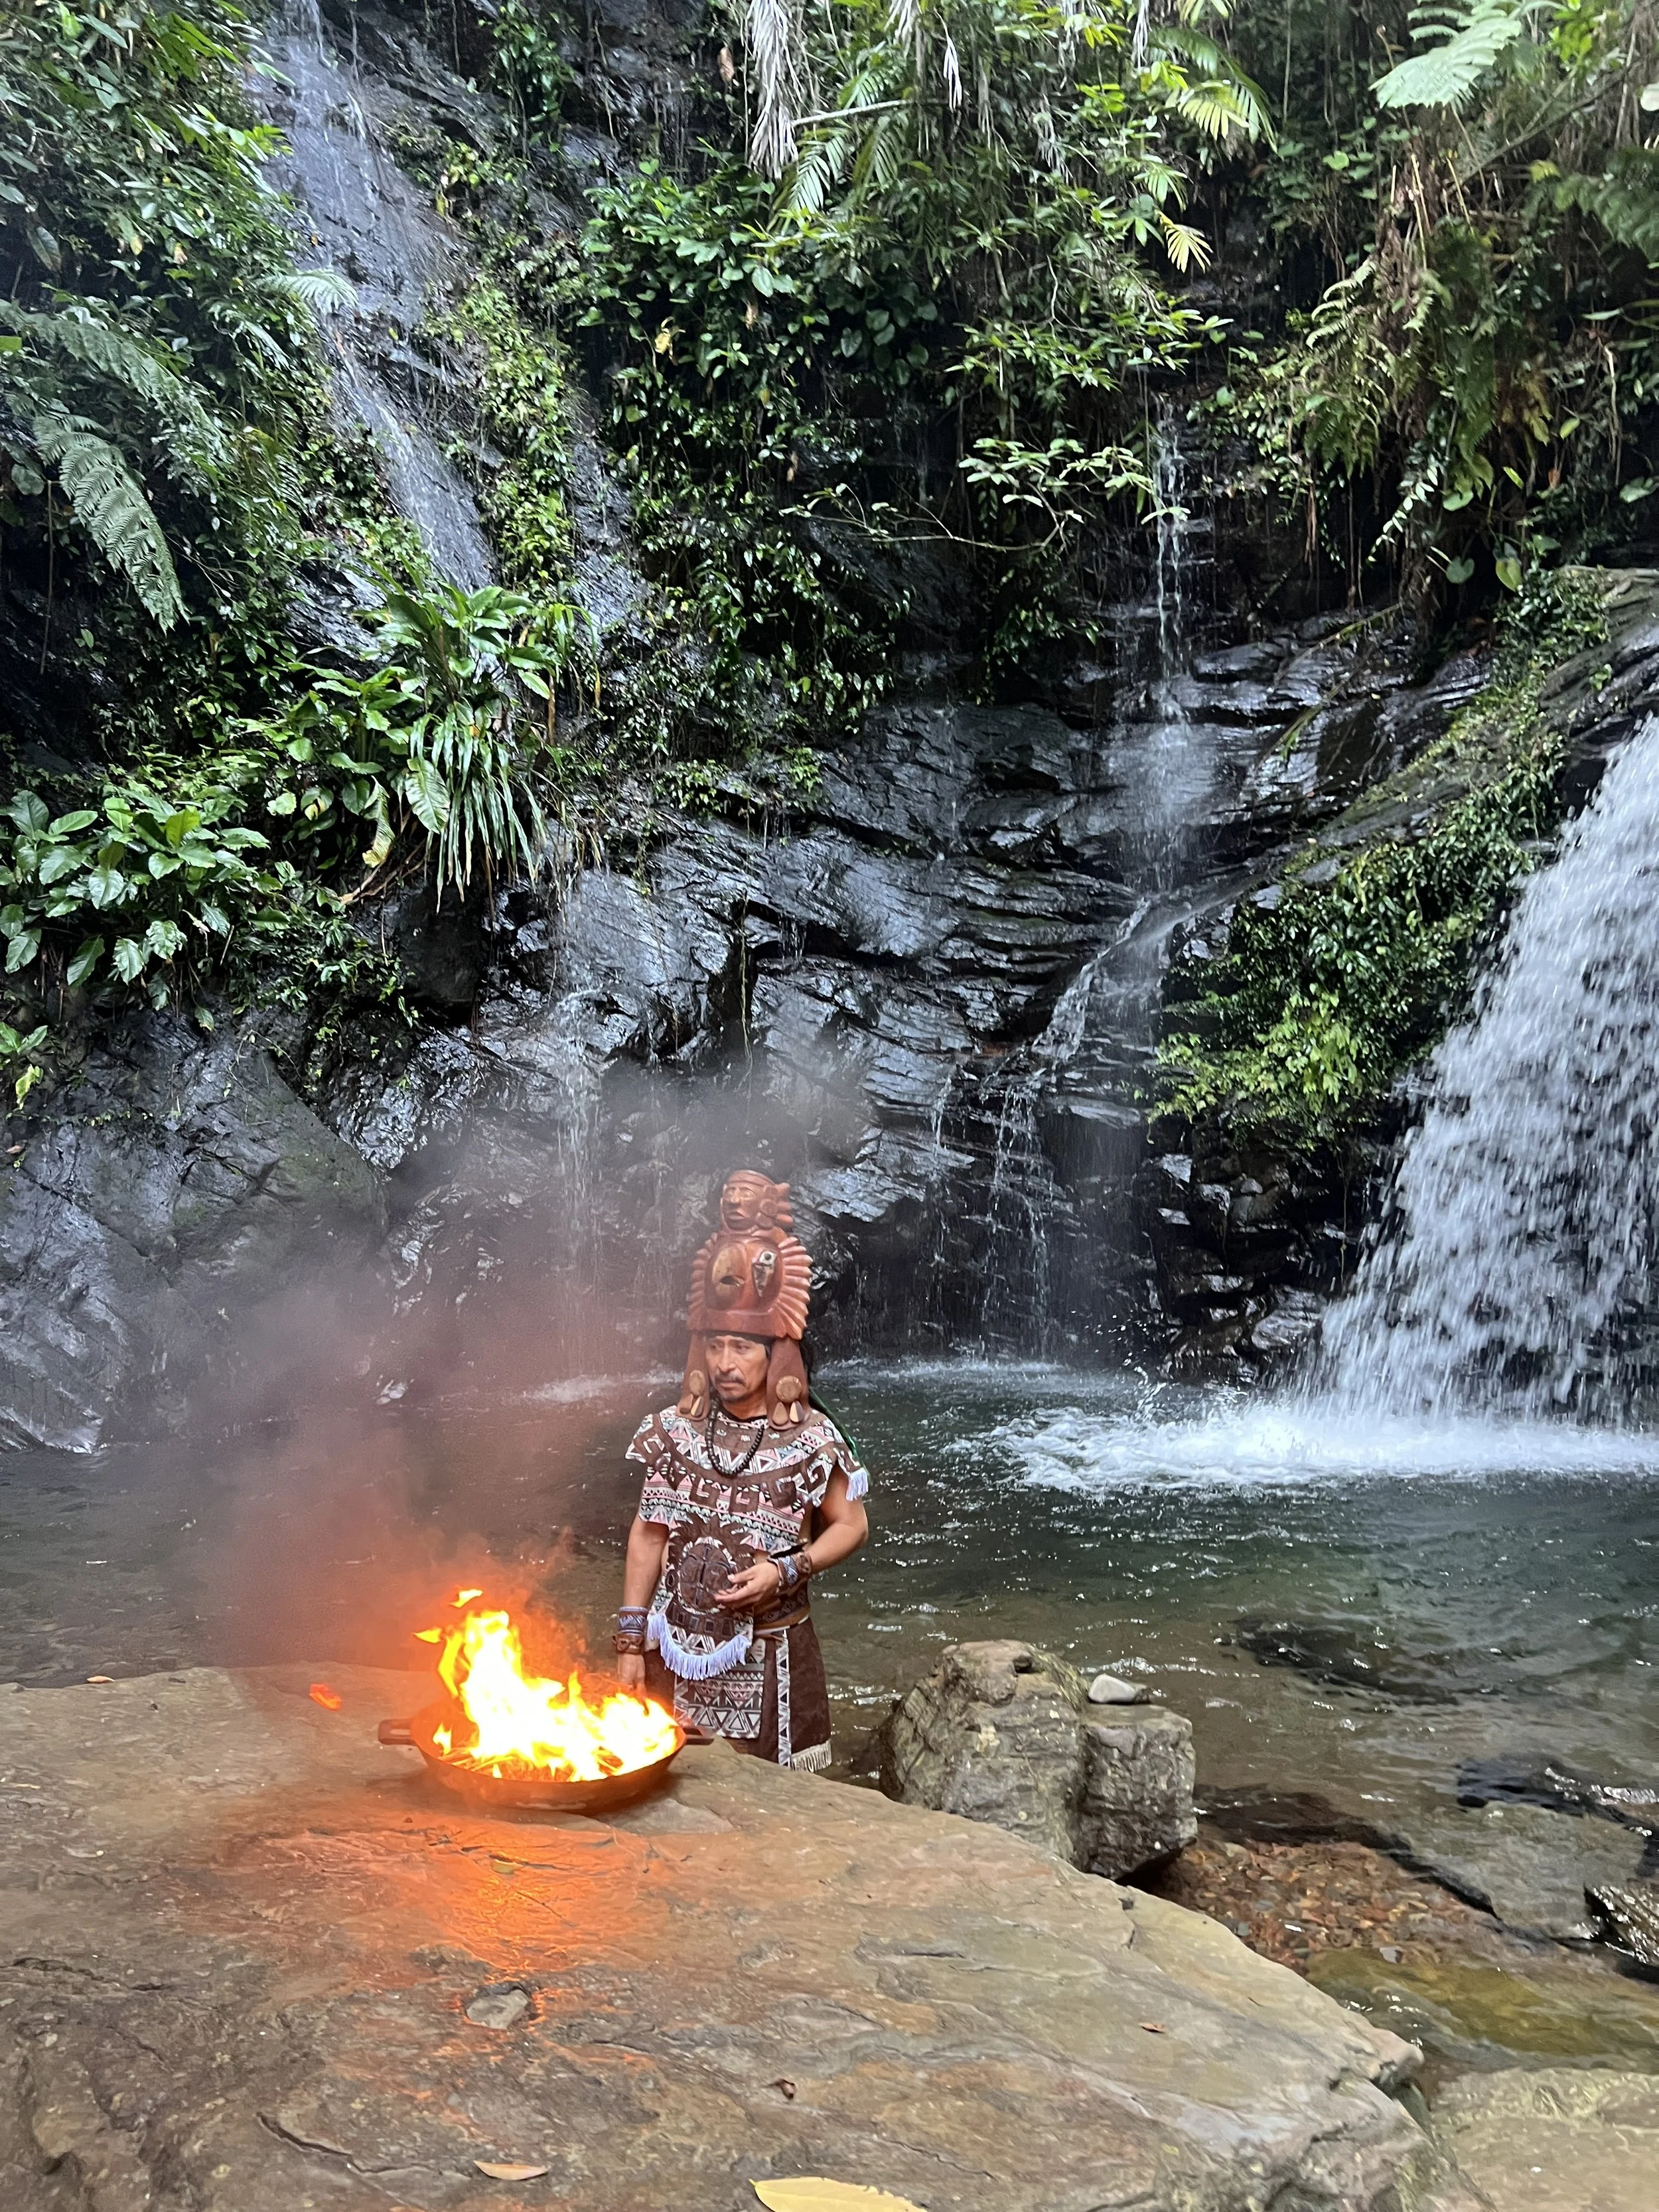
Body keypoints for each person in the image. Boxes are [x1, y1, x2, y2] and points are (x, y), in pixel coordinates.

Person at [612, 1169, 869, 1770]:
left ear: (775, 1352)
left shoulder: (811, 1438)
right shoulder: (671, 1433)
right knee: (670, 1797)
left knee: (772, 1822)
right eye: (715, 1346)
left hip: (773, 1657)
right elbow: (648, 1535)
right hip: (673, 1658)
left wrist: (789, 1569)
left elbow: (851, 1526)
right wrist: (627, 1645)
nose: (725, 1363)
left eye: (742, 1348)